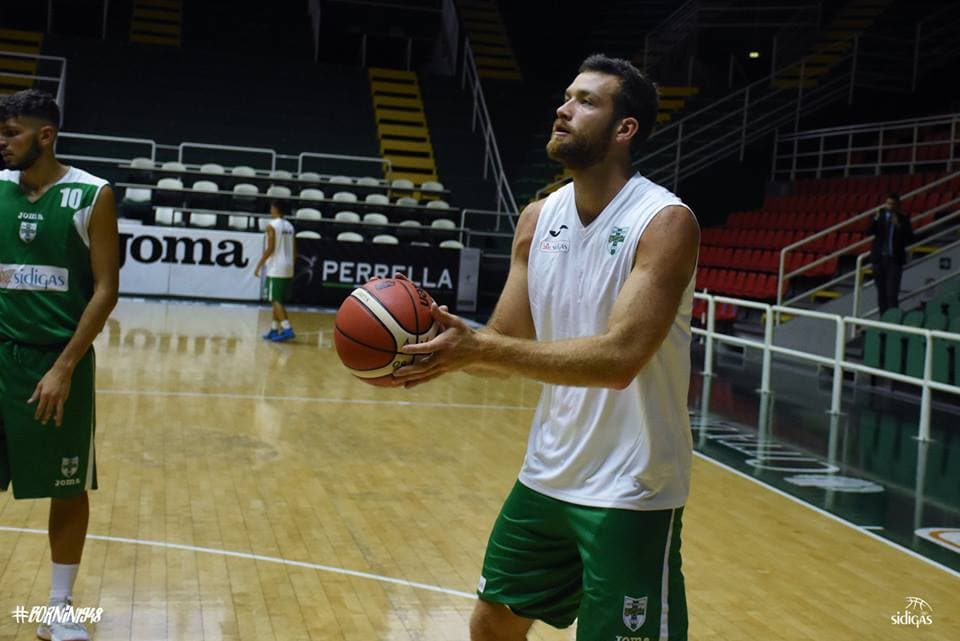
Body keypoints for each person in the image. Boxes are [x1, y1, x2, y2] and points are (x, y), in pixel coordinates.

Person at [394, 54, 699, 641]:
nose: (563, 109)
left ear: (624, 128)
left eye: (586, 101)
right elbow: (503, 345)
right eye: (566, 96)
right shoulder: (537, 218)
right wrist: (444, 350)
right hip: (547, 475)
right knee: (492, 626)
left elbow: (619, 361)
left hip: (630, 487)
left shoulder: (664, 221)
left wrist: (481, 349)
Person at [0, 90, 119, 641]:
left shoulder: (92, 194)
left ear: (45, 136)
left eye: (12, 134)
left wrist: (65, 366)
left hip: (56, 362)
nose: (2, 143)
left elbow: (106, 289)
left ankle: (58, 608)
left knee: (67, 486)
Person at [254, 199, 296, 341]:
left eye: (272, 208)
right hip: (288, 266)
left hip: (276, 267)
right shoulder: (290, 226)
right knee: (277, 300)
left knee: (275, 300)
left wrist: (259, 265)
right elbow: (295, 250)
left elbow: (270, 248)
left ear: (276, 209)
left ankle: (287, 328)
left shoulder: (272, 225)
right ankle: (273, 329)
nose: (270, 210)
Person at [870, 193, 913, 314]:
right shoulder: (879, 217)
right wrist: (875, 219)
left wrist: (898, 225)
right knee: (881, 293)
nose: (890, 206)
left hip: (894, 260)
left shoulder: (903, 219)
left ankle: (892, 319)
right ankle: (882, 318)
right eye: (888, 203)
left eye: (893, 204)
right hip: (879, 259)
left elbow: (910, 238)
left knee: (892, 293)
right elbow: (868, 232)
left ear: (898, 206)